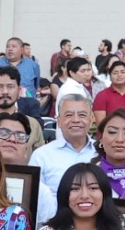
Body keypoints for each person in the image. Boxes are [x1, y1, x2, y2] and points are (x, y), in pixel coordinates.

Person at [29, 93, 96, 222]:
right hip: (54, 226)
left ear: (91, 119)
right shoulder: (42, 155)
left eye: (82, 115)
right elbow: (34, 200)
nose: (76, 120)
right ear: (58, 121)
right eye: (69, 115)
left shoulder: (101, 152)